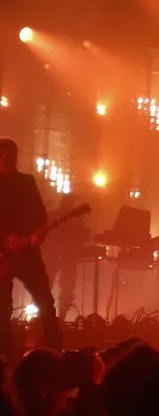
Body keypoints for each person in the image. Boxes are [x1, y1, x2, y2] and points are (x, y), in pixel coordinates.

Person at [0, 138, 62, 361]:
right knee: (2, 309)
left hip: (27, 254)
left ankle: (56, 353)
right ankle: (4, 357)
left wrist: (38, 231)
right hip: (3, 256)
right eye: (6, 156)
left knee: (45, 302)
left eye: (12, 156)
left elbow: (40, 215)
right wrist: (5, 238)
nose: (10, 160)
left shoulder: (27, 182)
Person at [41, 193, 90, 321]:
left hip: (60, 257)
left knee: (53, 286)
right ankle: (55, 316)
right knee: (59, 286)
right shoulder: (72, 220)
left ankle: (48, 316)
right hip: (60, 256)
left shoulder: (59, 217)